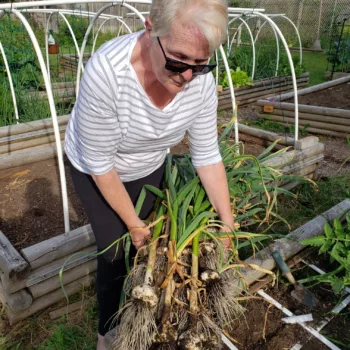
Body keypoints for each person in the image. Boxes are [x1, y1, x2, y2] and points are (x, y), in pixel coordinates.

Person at [65, 0, 234, 349]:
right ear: (149, 28)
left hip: (149, 164)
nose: (186, 75)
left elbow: (206, 155)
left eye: (199, 65)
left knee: (147, 252)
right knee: (114, 253)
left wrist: (228, 222)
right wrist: (133, 224)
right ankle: (107, 337)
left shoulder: (199, 84)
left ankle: (143, 326)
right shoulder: (108, 73)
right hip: (97, 168)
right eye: (177, 60)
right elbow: (101, 164)